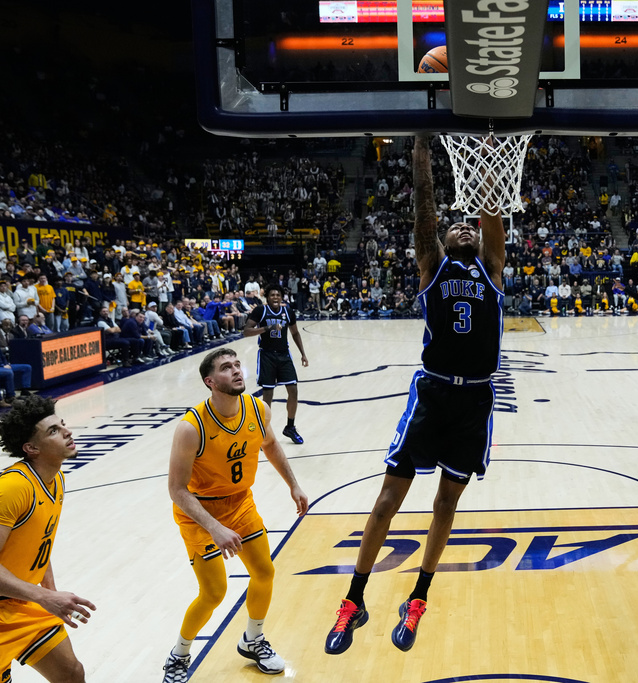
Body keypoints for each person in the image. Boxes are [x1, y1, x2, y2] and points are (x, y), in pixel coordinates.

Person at [324, 134, 505, 656]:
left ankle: (418, 597)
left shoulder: (491, 271)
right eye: (454, 227)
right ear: (441, 241)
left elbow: (490, 212)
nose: (462, 227)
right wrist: (422, 148)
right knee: (388, 499)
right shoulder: (433, 265)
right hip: (431, 395)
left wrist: (490, 154)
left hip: (474, 400)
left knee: (446, 501)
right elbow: (424, 212)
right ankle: (354, 601)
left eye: (467, 224)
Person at [162, 348, 308, 683]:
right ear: (210, 381)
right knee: (214, 592)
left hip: (240, 502)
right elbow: (177, 490)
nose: (237, 370)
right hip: (199, 511)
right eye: (226, 368)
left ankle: (252, 640)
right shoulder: (191, 427)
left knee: (264, 572)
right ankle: (179, 655)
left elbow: (270, 445)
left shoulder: (259, 409)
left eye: (238, 364)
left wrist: (294, 485)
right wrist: (214, 528)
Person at [0, 395, 97, 683]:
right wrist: (44, 596)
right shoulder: (13, 488)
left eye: (62, 424)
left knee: (71, 674)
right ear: (31, 448)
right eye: (53, 431)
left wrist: (50, 593)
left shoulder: (55, 479)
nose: (67, 431)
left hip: (21, 601)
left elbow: (39, 542)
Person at [243, 284, 309, 444]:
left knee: (293, 390)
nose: (275, 297)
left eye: (277, 295)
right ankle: (263, 430)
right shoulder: (260, 311)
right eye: (272, 295)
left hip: (284, 355)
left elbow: (295, 333)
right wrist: (267, 328)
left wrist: (303, 354)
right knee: (268, 394)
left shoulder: (288, 312)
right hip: (267, 355)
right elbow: (246, 331)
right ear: (268, 297)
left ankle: (290, 427)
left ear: (281, 297)